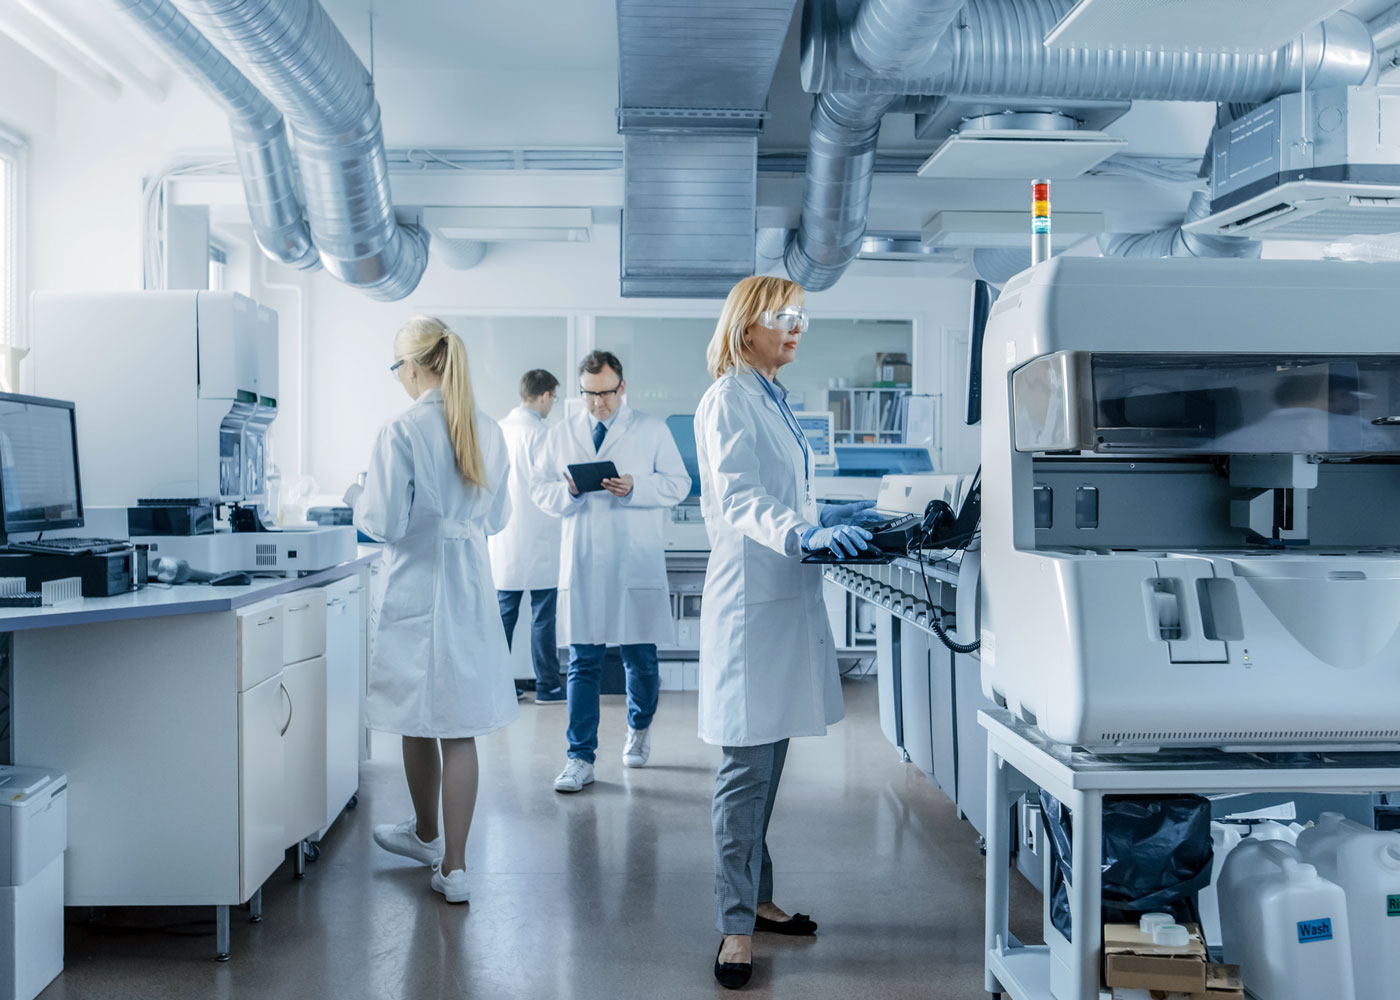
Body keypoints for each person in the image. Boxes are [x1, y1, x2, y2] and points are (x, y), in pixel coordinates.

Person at [693, 276, 881, 989]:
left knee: (767, 768)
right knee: (744, 771)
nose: (797, 327)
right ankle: (734, 928)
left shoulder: (772, 397)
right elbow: (742, 496)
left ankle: (758, 900)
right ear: (746, 324)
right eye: (783, 317)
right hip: (749, 601)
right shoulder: (726, 399)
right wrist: (802, 528)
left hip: (781, 596)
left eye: (802, 316)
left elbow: (785, 490)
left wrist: (833, 514)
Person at [353, 315, 518, 905]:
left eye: (397, 367)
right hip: (470, 582)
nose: (398, 377)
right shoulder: (489, 428)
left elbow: (383, 523)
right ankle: (452, 864)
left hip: (419, 584)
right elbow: (497, 519)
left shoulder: (401, 430)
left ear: (416, 366)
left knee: (414, 714)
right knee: (458, 725)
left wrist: (358, 499)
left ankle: (427, 831)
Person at [530, 350, 691, 793]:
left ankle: (639, 729)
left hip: (633, 557)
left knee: (640, 657)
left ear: (622, 387)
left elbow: (680, 484)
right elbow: (539, 489)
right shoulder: (562, 433)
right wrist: (569, 492)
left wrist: (638, 485)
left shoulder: (652, 430)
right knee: (583, 661)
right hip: (583, 559)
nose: (597, 403)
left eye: (604, 393)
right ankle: (579, 758)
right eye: (588, 394)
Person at [490, 369, 566, 704]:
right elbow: (554, 485)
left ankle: (496, 686)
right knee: (543, 617)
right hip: (540, 540)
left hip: (504, 539)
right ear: (546, 395)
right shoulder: (543, 434)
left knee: (502, 619)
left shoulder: (498, 430)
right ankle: (548, 686)